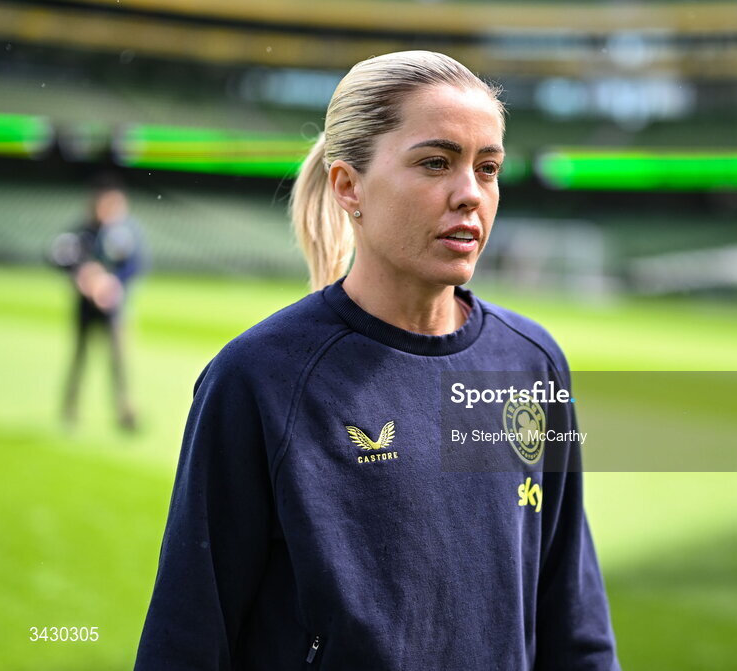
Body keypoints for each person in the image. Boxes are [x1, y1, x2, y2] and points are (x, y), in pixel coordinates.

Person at [135, 51, 619, 669]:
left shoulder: (533, 363)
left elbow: (573, 626)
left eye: (488, 167)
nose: (470, 194)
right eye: (435, 162)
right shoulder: (260, 378)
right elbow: (188, 638)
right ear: (348, 185)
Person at [51, 178, 144, 431]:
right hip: (85, 307)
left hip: (112, 308)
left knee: (118, 361)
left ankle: (125, 412)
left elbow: (136, 265)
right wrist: (83, 277)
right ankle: (69, 409)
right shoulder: (82, 232)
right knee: (79, 358)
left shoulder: (122, 234)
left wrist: (112, 282)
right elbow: (60, 258)